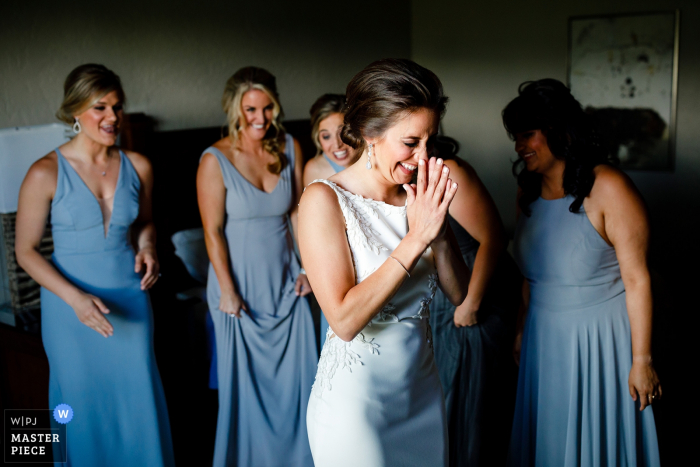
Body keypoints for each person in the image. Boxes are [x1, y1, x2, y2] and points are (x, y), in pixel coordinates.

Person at [299, 58, 470, 467]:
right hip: (357, 410)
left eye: (430, 140)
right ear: (370, 135)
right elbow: (343, 320)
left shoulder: (417, 194)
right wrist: (416, 238)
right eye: (411, 143)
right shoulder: (323, 200)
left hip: (422, 395)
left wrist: (439, 230)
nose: (423, 156)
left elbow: (459, 293)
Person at [15, 64, 174, 467]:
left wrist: (149, 247)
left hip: (131, 299)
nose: (112, 118)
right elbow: (26, 251)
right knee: (82, 406)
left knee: (138, 400)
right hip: (70, 310)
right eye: (99, 108)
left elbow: (144, 223)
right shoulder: (43, 172)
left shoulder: (139, 166)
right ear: (75, 111)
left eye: (117, 107)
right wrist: (75, 299)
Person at [503, 79, 661, 466]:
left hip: (600, 338)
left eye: (528, 135)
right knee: (550, 442)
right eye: (515, 138)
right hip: (542, 337)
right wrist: (523, 329)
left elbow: (637, 279)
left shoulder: (608, 187)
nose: (520, 147)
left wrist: (642, 361)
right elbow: (530, 275)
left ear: (559, 130)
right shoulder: (528, 193)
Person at [197, 66, 316, 467]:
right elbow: (212, 231)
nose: (260, 119)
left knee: (299, 384)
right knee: (244, 392)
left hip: (287, 282)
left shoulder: (289, 147)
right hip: (239, 289)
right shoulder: (215, 159)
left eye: (267, 108)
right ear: (234, 109)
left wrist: (307, 267)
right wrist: (227, 290)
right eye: (250, 110)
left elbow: (299, 214)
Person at [428, 137, 521, 466]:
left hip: (476, 292)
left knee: (470, 403)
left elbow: (494, 237)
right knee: (444, 400)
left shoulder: (449, 170)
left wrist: (470, 304)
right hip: (439, 297)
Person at [302, 93, 358, 348]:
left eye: (343, 131)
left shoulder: (377, 163)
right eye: (326, 136)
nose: (337, 144)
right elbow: (310, 230)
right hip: (338, 271)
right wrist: (306, 269)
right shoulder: (314, 170)